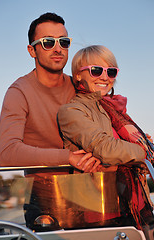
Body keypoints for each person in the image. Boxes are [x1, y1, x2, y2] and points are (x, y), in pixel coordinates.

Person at [0, 13, 100, 230]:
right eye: (47, 42)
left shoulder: (80, 86)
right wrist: (67, 157)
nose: (57, 48)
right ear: (31, 50)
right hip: (44, 202)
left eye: (63, 42)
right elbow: (6, 152)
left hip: (93, 194)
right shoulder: (19, 92)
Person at [58, 45, 154, 230]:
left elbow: (119, 148)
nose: (105, 77)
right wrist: (144, 149)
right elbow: (106, 149)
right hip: (99, 211)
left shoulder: (113, 110)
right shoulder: (71, 111)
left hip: (136, 205)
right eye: (96, 70)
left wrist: (131, 147)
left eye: (110, 71)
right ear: (78, 75)